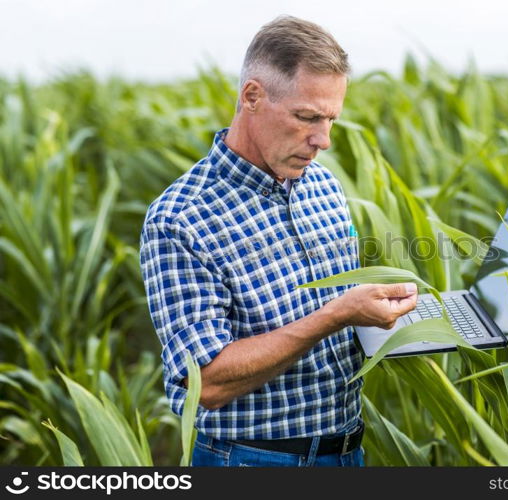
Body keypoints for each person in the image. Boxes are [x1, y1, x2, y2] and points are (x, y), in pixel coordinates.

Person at [139, 15, 418, 467]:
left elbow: (342, 312)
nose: (322, 140)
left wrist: (402, 318)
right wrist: (336, 314)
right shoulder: (180, 219)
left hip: (347, 451)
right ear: (252, 96)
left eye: (330, 119)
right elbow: (205, 382)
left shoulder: (323, 185)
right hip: (250, 460)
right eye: (306, 117)